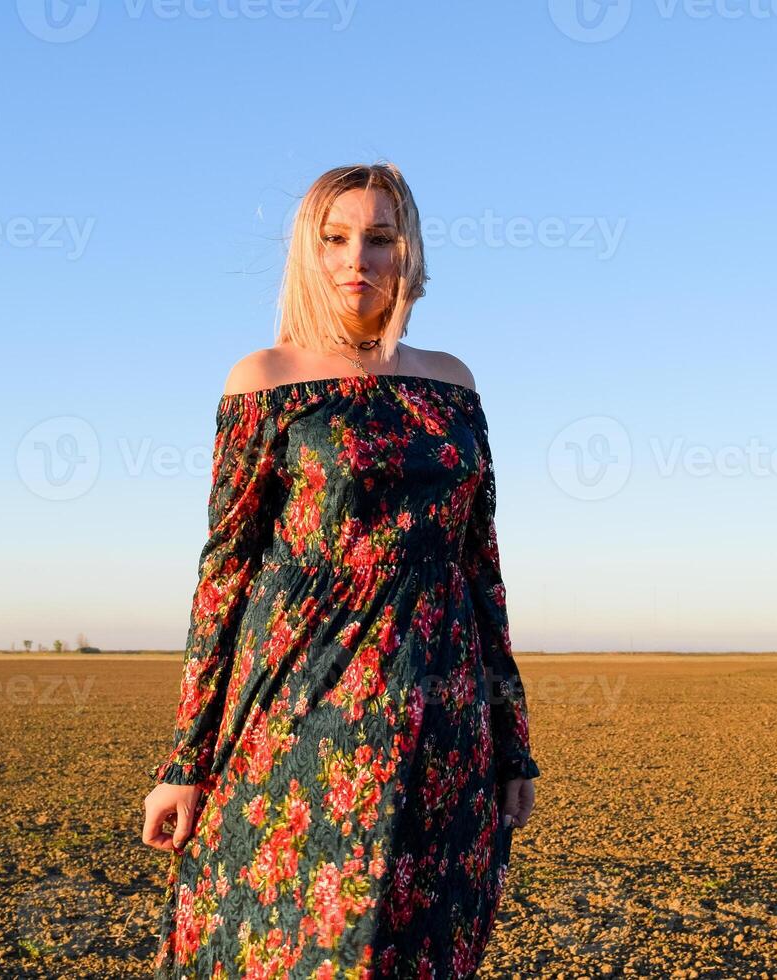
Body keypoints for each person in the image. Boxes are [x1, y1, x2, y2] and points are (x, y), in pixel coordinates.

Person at [140, 162, 540, 978]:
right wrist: (185, 763)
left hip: (443, 717)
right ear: (309, 254)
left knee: (421, 948)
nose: (359, 257)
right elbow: (225, 575)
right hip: (301, 715)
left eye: (381, 238)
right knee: (296, 946)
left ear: (409, 255)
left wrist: (512, 741)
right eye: (336, 238)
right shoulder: (265, 381)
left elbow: (481, 569)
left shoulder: (453, 386)